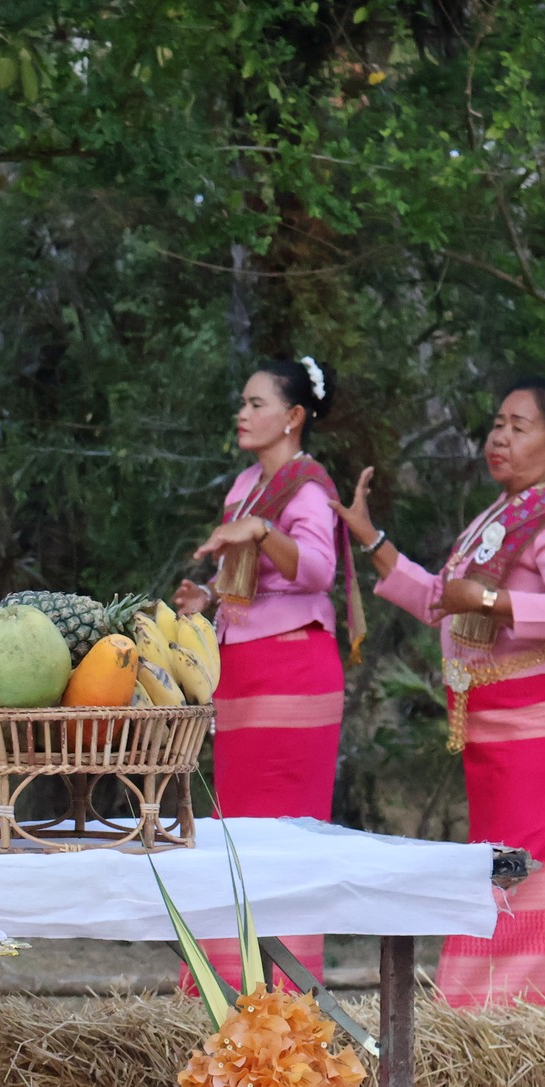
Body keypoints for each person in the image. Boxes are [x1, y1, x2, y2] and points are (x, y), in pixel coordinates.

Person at [333, 371, 545, 1007]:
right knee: (503, 863)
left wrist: (491, 600)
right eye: (497, 425)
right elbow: (442, 600)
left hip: (541, 721)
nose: (500, 438)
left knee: (524, 865)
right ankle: (502, 1008)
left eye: (520, 428)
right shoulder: (500, 515)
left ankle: (499, 1013)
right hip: (496, 722)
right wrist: (372, 539)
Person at [174, 357, 358, 986]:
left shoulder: (308, 486)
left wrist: (261, 530)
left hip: (293, 666)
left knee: (282, 832)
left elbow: (318, 571)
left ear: (294, 417)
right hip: (243, 668)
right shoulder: (246, 485)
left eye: (257, 404)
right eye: (243, 403)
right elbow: (243, 579)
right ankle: (231, 988)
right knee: (238, 825)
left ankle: (283, 995)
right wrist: (206, 597)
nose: (243, 414)